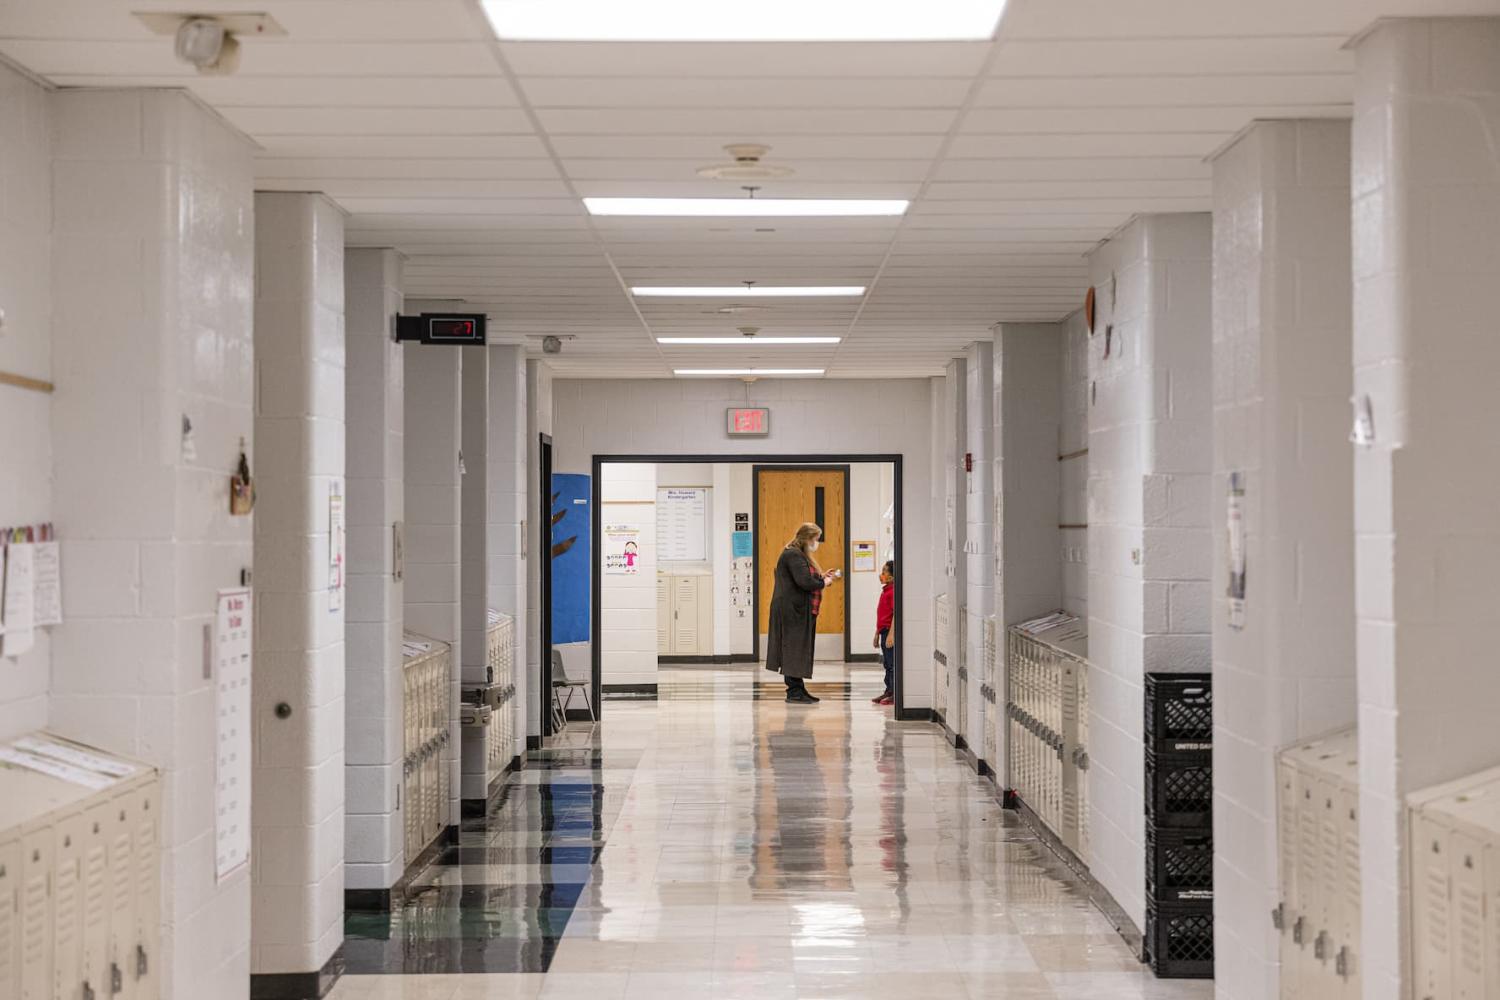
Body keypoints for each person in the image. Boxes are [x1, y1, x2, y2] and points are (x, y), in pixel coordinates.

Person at [766, 522, 836, 704]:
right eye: (816, 539)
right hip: (792, 610)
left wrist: (820, 576)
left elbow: (804, 576)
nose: (817, 543)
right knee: (794, 649)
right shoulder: (793, 555)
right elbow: (804, 582)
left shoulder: (798, 554)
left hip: (797, 608)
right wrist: (824, 583)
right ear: (807, 538)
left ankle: (798, 688)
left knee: (798, 648)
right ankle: (794, 691)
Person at [872, 560, 896, 706]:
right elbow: (882, 616)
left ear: (893, 576)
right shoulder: (886, 591)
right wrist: (876, 634)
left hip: (889, 632)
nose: (881, 575)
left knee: (892, 664)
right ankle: (888, 690)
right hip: (883, 631)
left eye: (885, 571)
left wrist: (891, 635)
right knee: (887, 664)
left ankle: (894, 693)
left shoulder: (893, 592)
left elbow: (895, 615)